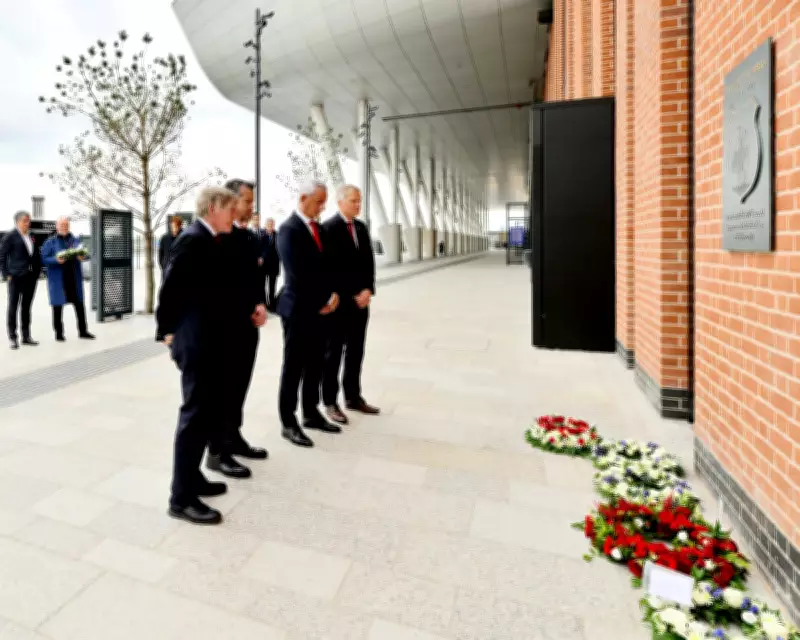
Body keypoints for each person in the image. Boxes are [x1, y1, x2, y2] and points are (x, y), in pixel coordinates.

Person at [156, 186, 237, 525]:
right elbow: (171, 287)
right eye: (230, 208)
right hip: (196, 341)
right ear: (214, 208)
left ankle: (194, 478)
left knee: (206, 414)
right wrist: (166, 331)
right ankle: (181, 497)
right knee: (195, 416)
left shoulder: (208, 238)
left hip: (209, 339)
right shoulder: (192, 239)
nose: (234, 215)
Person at [205, 179, 268, 480]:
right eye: (246, 200)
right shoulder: (219, 238)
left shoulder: (248, 237)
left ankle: (234, 436)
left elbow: (253, 280)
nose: (251, 205)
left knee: (239, 387)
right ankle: (217, 452)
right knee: (222, 391)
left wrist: (259, 305)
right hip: (225, 330)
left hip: (247, 326)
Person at [276, 180, 341, 448]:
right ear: (303, 198)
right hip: (299, 309)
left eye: (325, 201)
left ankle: (311, 412)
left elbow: (329, 266)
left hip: (321, 309)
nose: (323, 206)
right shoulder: (288, 230)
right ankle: (288, 421)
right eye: (319, 201)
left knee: (316, 362)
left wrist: (334, 293)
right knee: (294, 366)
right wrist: (323, 299)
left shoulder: (319, 229)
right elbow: (297, 273)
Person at [321, 185, 380, 424]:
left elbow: (368, 263)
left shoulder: (361, 228)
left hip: (361, 303)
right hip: (340, 305)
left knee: (356, 351)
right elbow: (330, 270)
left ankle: (353, 396)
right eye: (354, 201)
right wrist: (349, 295)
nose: (358, 205)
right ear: (340, 202)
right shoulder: (329, 229)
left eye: (360, 201)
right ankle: (330, 401)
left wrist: (368, 290)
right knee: (333, 354)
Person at [40, 216, 95, 342]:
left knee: (80, 306)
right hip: (59, 280)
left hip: (74, 279)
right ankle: (59, 334)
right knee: (57, 307)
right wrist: (56, 260)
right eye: (62, 225)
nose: (64, 227)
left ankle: (83, 331)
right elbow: (43, 259)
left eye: (66, 225)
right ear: (57, 226)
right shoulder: (50, 242)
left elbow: (85, 253)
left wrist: (83, 257)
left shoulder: (75, 240)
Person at [1, 211, 42, 350]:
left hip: (30, 277)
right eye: (25, 221)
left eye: (28, 220)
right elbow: (2, 256)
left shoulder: (31, 235)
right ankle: (13, 337)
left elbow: (35, 253)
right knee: (13, 307)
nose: (28, 223)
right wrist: (6, 274)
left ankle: (26, 336)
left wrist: (38, 270)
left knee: (26, 307)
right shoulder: (10, 236)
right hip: (16, 277)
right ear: (17, 222)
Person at [260, 217, 280, 312]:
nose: (270, 226)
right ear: (265, 225)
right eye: (268, 224)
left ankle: (271, 304)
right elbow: (258, 248)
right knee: (263, 285)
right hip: (263, 265)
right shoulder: (261, 235)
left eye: (272, 225)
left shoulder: (278, 235)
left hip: (274, 265)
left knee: (272, 286)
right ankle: (264, 303)